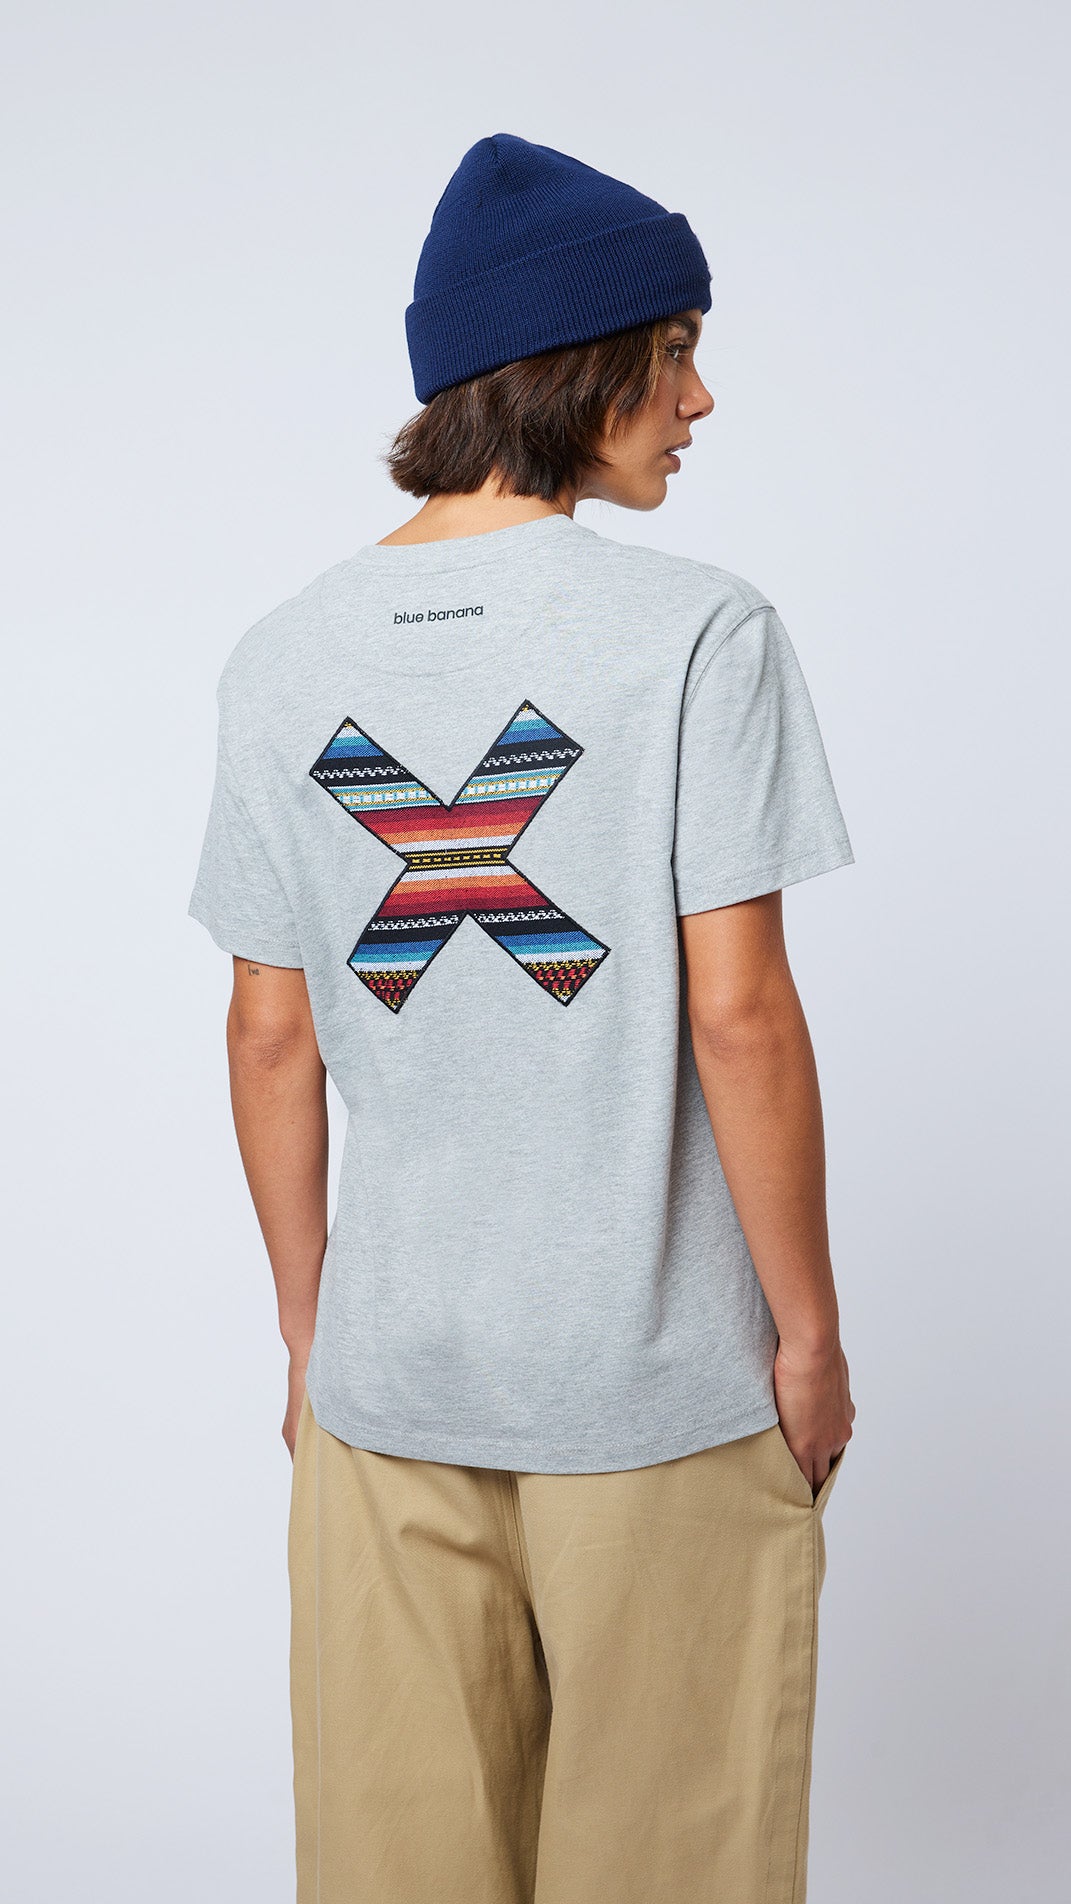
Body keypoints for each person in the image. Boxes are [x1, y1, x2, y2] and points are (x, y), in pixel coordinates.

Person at [188, 131, 858, 1904]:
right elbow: (742, 1017)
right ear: (579, 362)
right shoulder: (700, 634)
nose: (700, 400)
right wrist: (804, 1338)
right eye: (675, 351)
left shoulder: (281, 655)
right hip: (661, 1389)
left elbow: (267, 1036)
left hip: (387, 1390)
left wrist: (311, 1342)